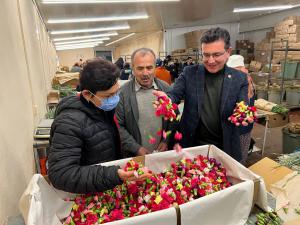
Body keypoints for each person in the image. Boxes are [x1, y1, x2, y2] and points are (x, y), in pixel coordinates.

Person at [48, 58, 150, 194]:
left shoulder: (102, 108)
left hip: (106, 186)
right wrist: (113, 175)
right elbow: (61, 174)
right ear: (87, 94)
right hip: (87, 192)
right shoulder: (69, 122)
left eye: (116, 92)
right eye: (109, 96)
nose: (115, 99)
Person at [154, 27, 249, 162]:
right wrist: (166, 100)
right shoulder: (190, 73)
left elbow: (242, 106)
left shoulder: (239, 78)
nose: (210, 60)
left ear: (228, 52)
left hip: (224, 147)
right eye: (206, 55)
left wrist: (243, 115)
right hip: (191, 145)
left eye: (216, 55)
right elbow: (174, 94)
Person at [116, 48, 175, 157]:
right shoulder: (123, 94)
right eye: (140, 68)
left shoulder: (165, 89)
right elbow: (118, 126)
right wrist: (136, 148)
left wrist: (166, 140)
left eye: (149, 68)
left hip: (162, 154)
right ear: (133, 69)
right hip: (135, 157)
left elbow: (173, 119)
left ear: (155, 68)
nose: (145, 73)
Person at [227, 54, 256, 164]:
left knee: (231, 160)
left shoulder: (235, 83)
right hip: (246, 128)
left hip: (235, 128)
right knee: (241, 158)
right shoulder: (249, 81)